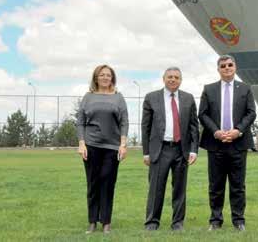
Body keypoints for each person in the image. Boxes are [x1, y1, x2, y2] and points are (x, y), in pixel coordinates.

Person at [198, 55, 256, 231]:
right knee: (215, 185)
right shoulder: (209, 89)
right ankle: (215, 221)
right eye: (223, 66)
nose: (227, 68)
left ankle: (239, 220)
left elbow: (251, 113)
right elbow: (203, 114)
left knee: (238, 185)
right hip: (215, 144)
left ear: (235, 67)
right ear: (218, 69)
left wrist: (238, 131)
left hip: (238, 143)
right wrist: (216, 132)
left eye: (230, 65)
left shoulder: (245, 88)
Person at [141, 67, 199, 231]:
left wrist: (193, 150)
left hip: (182, 150)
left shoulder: (188, 98)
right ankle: (152, 222)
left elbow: (194, 126)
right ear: (163, 78)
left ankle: (177, 223)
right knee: (156, 188)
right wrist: (146, 152)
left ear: (181, 80)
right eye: (170, 77)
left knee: (180, 189)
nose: (173, 79)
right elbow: (145, 127)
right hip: (160, 150)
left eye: (176, 77)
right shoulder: (151, 98)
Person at [76, 65, 129, 234]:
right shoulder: (88, 97)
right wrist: (81, 143)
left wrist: (123, 144)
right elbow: (80, 122)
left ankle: (106, 221)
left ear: (112, 78)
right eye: (102, 75)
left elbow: (124, 122)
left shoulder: (118, 98)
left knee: (107, 182)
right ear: (96, 78)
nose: (105, 77)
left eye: (108, 75)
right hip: (91, 146)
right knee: (92, 183)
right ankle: (92, 221)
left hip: (112, 148)